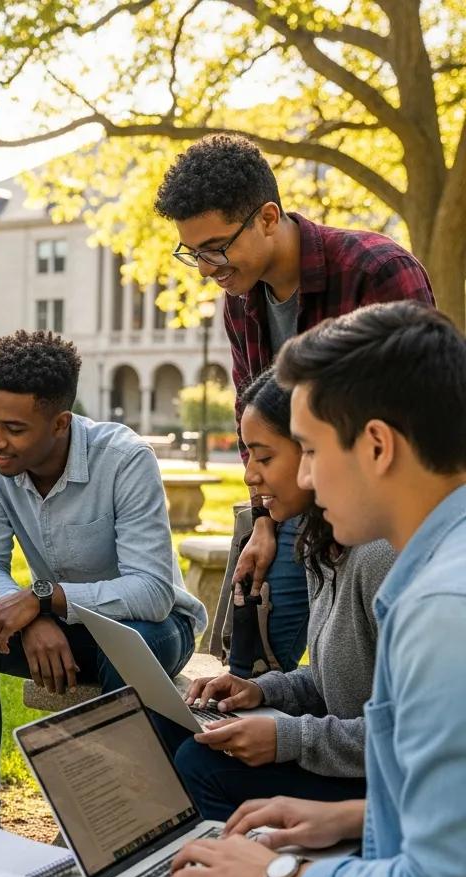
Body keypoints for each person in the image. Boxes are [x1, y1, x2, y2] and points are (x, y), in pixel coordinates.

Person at [168, 301, 466, 877]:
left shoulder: (439, 607)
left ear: (375, 446)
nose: (300, 475)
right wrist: (351, 822)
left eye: (306, 449)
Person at [154, 133, 435, 673]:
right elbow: (250, 419)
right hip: (291, 507)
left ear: (266, 217)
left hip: (378, 512)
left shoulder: (376, 270)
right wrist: (263, 521)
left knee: (364, 680)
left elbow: (417, 418)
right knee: (247, 667)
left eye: (216, 247)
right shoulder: (242, 302)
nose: (208, 268)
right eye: (194, 253)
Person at [0, 329, 207, 825]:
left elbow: (151, 592)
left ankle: (118, 823)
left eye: (14, 429)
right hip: (60, 626)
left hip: (155, 628)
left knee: (132, 642)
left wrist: (46, 600)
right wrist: (34, 617)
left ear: (60, 423)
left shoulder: (125, 459)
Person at [157, 368, 393, 820]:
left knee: (199, 763)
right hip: (351, 761)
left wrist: (289, 739)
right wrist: (261, 691)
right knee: (168, 726)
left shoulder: (381, 556)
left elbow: (419, 736)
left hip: (388, 790)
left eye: (264, 458)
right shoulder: (322, 543)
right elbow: (342, 683)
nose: (248, 476)